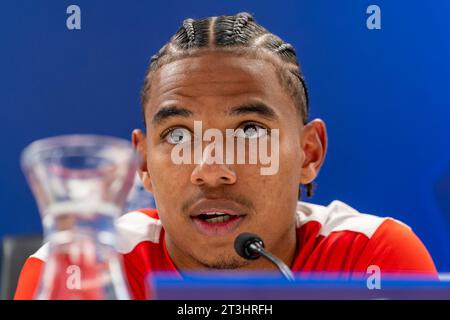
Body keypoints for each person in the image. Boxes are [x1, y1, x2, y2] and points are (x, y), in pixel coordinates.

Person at [15, 12, 437, 300]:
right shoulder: (79, 271)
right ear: (143, 164)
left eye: (250, 132)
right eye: (179, 136)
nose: (211, 171)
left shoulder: (372, 259)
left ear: (309, 153)